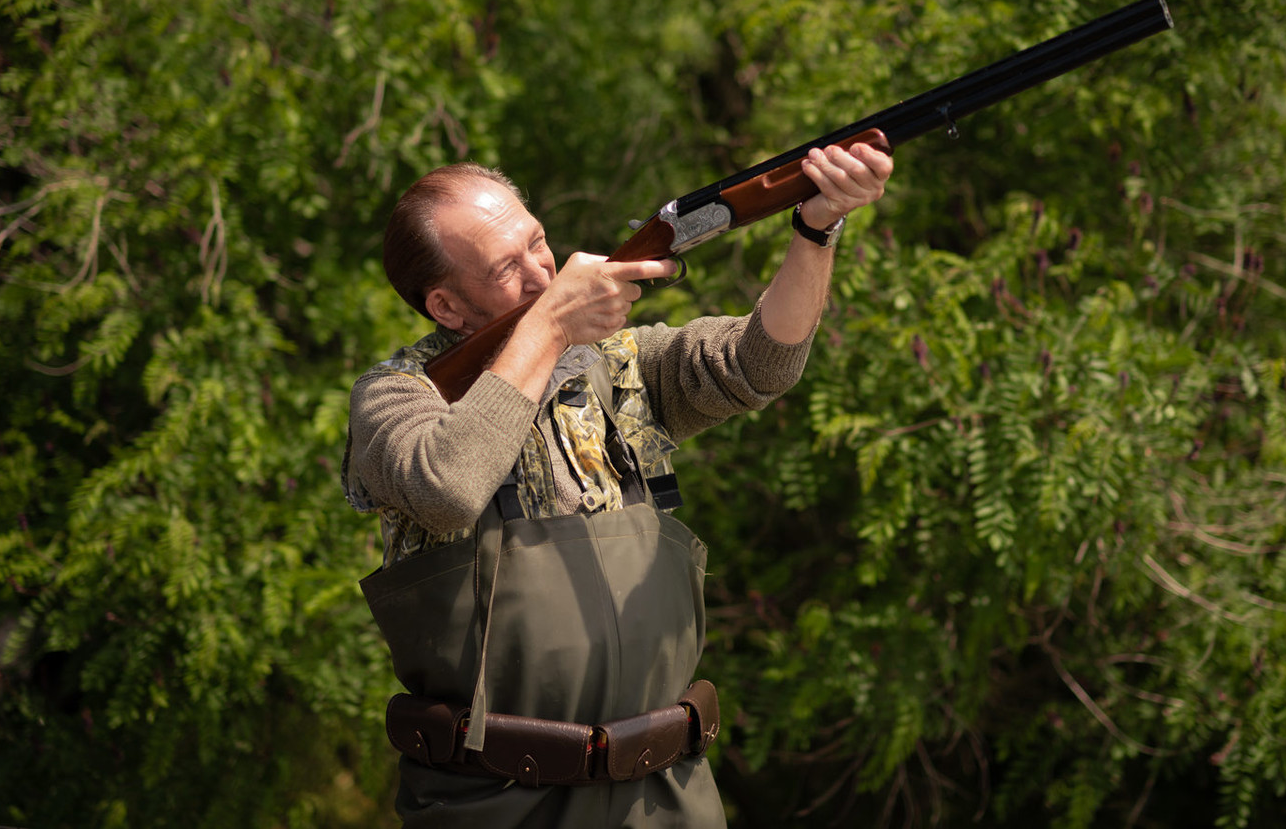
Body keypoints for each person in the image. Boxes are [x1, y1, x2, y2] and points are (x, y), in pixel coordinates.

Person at [341, 140, 893, 828]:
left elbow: (762, 362)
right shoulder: (397, 400)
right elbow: (447, 485)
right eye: (508, 267)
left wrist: (816, 230)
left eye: (537, 242)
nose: (544, 269)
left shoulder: (619, 365)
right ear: (446, 306)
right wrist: (550, 326)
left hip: (666, 790)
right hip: (498, 800)